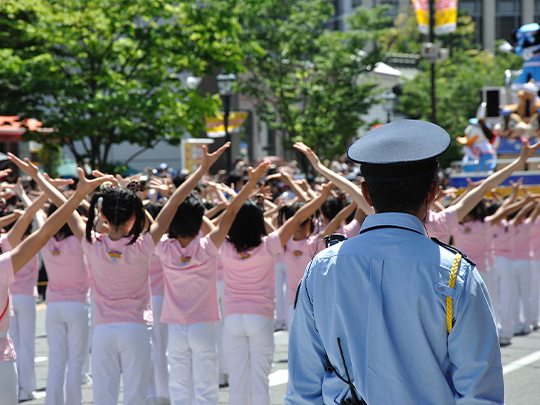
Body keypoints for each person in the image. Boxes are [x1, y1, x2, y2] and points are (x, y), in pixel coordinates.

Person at [285, 120, 505, 404]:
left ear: (365, 193)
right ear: (432, 192)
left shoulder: (323, 267)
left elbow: (303, 388)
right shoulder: (455, 273)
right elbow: (479, 393)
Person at [0, 160, 113, 405]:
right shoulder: (79, 242)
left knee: (56, 360)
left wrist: (38, 185)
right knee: (74, 362)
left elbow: (42, 223)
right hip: (77, 306)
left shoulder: (48, 245)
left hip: (53, 305)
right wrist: (76, 196)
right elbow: (50, 225)